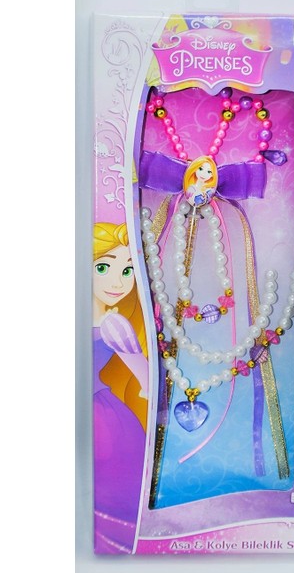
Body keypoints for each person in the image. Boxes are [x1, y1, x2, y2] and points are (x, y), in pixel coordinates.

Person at [92, 222, 148, 554]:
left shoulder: (114, 324)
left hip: (108, 422)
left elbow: (144, 378)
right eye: (104, 267)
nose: (117, 282)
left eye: (128, 271)